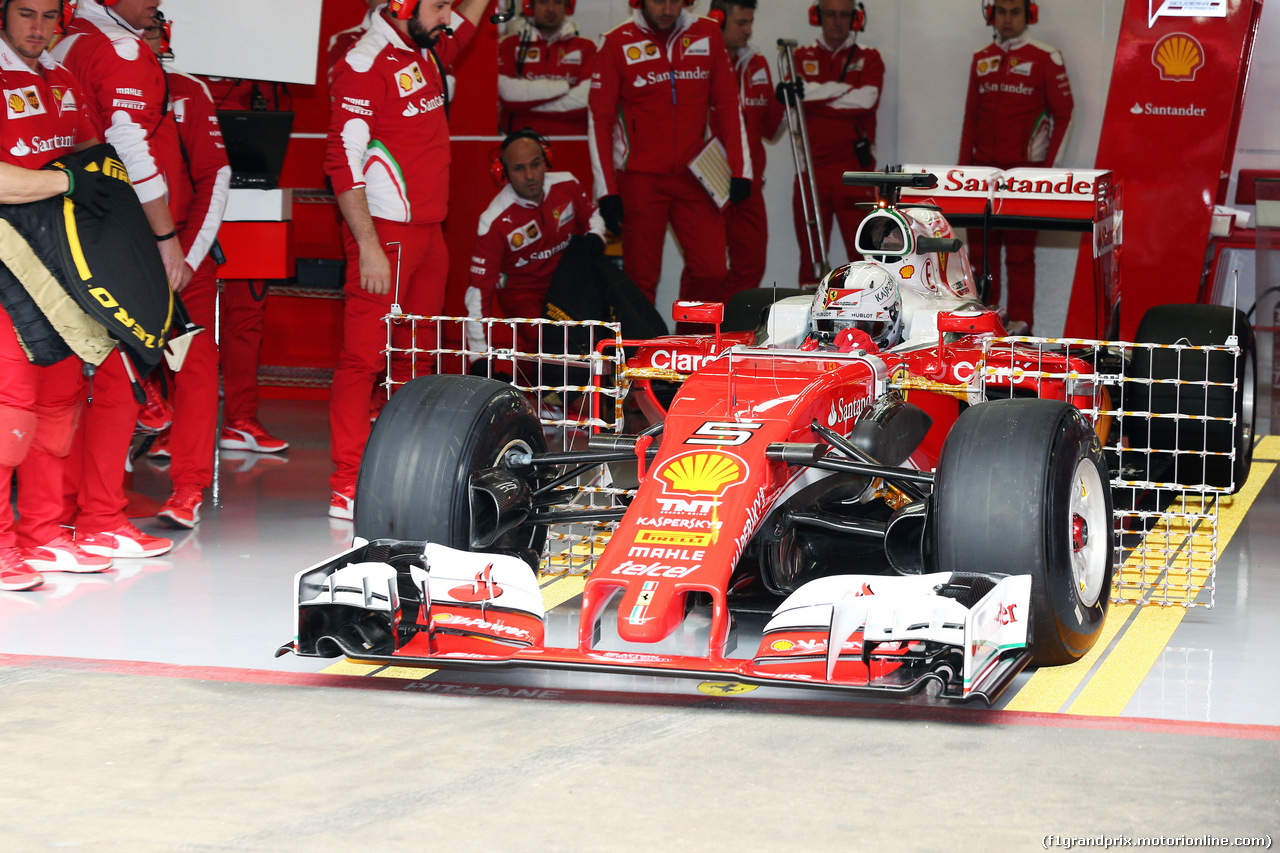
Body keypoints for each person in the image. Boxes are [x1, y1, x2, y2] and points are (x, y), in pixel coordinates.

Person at [325, 0, 487, 521]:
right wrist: (369, 246)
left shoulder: (422, 44)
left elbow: (463, 27)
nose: (448, 17)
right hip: (386, 234)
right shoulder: (364, 61)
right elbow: (340, 162)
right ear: (402, 5)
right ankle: (346, 484)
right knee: (363, 361)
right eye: (440, 5)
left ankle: (403, 470)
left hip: (429, 233)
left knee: (416, 360)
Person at [52, 0, 181, 559]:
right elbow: (130, 148)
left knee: (64, 386)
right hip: (112, 235)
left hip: (60, 232)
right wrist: (164, 237)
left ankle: (57, 522)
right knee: (119, 381)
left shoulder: (63, 44)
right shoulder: (122, 49)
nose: (156, 3)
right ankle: (100, 517)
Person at [0, 0, 109, 590]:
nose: (38, 28)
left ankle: (43, 533)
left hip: (63, 266)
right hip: (4, 265)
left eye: (48, 16)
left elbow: (95, 160)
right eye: (25, 14)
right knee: (9, 404)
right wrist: (66, 180)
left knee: (59, 400)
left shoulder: (63, 78)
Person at [588, 0, 751, 306]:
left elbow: (728, 103)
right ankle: (640, 351)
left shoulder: (708, 33)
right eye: (658, 0)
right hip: (640, 179)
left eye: (675, 0)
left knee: (713, 270)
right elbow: (600, 120)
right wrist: (606, 191)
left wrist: (741, 171)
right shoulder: (615, 42)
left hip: (695, 175)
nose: (667, 8)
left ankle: (692, 347)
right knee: (641, 279)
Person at [137, 13, 232, 529]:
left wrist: (186, 257)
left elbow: (215, 176)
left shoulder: (190, 93)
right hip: (115, 260)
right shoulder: (94, 82)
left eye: (152, 31)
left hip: (185, 261)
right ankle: (92, 507)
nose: (143, 41)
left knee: (194, 369)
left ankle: (188, 488)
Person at [958, 0, 1073, 332]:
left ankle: (1022, 332)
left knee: (1021, 257)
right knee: (980, 259)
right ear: (991, 14)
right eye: (1002, 12)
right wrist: (963, 172)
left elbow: (1065, 113)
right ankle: (980, 328)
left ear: (1029, 14)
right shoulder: (981, 58)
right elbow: (970, 120)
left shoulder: (1046, 57)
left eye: (1015, 12)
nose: (1007, 19)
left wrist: (1048, 173)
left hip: (1025, 176)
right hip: (982, 175)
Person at [466, 129, 605, 351]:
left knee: (599, 329)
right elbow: (478, 292)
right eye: (519, 168)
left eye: (535, 164)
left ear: (546, 161)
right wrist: (478, 356)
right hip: (523, 295)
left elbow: (592, 215)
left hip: (568, 284)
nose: (530, 176)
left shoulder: (566, 184)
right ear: (503, 172)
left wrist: (596, 234)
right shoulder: (493, 221)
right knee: (547, 343)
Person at [786, 0, 883, 285]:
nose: (837, 21)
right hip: (810, 173)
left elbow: (867, 99)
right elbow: (795, 99)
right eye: (831, 14)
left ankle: (867, 321)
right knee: (812, 258)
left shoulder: (870, 57)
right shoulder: (799, 56)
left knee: (865, 255)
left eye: (844, 15)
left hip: (855, 173)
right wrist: (843, 94)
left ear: (856, 18)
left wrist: (814, 95)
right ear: (818, 16)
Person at [712, 0, 783, 296]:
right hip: (708, 183)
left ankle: (731, 331)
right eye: (741, 23)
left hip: (748, 184)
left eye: (750, 22)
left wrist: (784, 101)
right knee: (707, 268)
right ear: (718, 19)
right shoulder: (698, 61)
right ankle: (694, 336)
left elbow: (770, 130)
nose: (748, 30)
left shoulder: (757, 62)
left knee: (752, 263)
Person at [497, 0, 595, 138]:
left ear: (567, 6)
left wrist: (524, 105)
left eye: (557, 2)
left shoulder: (587, 47)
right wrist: (565, 87)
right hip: (521, 148)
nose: (551, 9)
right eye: (543, 2)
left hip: (575, 146)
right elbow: (507, 95)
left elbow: (588, 100)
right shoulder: (508, 45)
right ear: (530, 6)